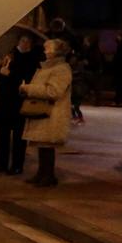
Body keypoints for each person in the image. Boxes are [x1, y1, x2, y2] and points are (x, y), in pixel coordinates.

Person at [0, 33, 43, 176]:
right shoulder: (10, 56)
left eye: (28, 41)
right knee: (3, 134)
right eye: (23, 40)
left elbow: (28, 77)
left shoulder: (33, 58)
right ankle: (1, 163)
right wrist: (0, 71)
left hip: (20, 99)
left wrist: (10, 74)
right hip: (5, 99)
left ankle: (17, 165)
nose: (25, 43)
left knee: (19, 136)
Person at [20, 38, 74, 187]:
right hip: (45, 111)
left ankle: (48, 175)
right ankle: (42, 173)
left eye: (48, 48)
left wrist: (29, 89)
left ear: (56, 51)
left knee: (48, 146)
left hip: (52, 112)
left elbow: (54, 91)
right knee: (43, 146)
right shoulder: (47, 67)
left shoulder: (62, 69)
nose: (45, 51)